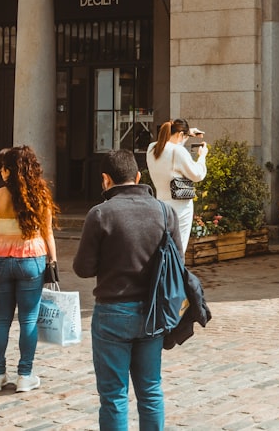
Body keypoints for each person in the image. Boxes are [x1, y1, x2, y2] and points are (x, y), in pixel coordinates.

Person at [74, 149, 181, 430]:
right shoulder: (164, 211)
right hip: (153, 313)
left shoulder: (100, 214)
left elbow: (83, 268)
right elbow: (178, 263)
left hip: (112, 313)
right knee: (150, 391)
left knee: (113, 396)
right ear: (137, 176)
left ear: (105, 179)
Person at [0, 146, 58, 393]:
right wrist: (53, 261)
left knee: (2, 319)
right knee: (28, 320)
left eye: (3, 168)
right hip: (32, 259)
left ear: (8, 170)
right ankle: (25, 375)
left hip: (1, 260)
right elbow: (48, 233)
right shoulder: (40, 196)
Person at [146, 119, 207, 254]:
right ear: (180, 134)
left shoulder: (152, 149)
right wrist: (202, 157)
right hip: (180, 207)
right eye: (184, 137)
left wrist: (188, 133)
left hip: (161, 204)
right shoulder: (178, 151)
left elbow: (172, 143)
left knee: (163, 249)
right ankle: (176, 275)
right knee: (178, 251)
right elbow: (198, 175)